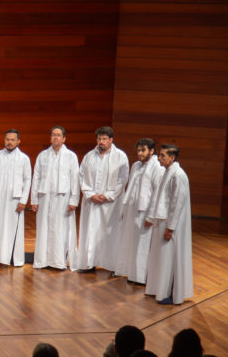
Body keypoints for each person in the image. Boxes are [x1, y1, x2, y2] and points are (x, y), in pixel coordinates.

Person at [75, 126, 129, 272]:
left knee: (110, 234)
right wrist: (90, 194)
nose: (101, 142)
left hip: (110, 203)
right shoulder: (89, 156)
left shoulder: (120, 156)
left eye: (104, 139)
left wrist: (108, 195)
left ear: (111, 140)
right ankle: (89, 264)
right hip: (91, 201)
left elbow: (122, 179)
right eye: (99, 139)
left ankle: (112, 266)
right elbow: (81, 176)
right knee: (90, 232)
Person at [144, 144, 193, 305]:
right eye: (159, 155)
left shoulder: (178, 175)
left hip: (170, 224)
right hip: (162, 220)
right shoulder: (167, 172)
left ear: (172, 158)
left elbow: (177, 204)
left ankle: (169, 293)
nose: (159, 158)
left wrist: (170, 228)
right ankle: (159, 290)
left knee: (169, 259)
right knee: (161, 258)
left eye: (163, 156)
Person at [114, 138, 164, 283]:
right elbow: (131, 188)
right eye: (138, 150)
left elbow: (156, 194)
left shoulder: (157, 168)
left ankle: (140, 277)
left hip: (145, 211)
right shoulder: (136, 165)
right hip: (132, 208)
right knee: (129, 240)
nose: (140, 153)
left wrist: (151, 216)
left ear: (152, 151)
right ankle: (129, 271)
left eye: (143, 150)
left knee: (143, 244)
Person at [30, 126, 80, 270]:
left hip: (62, 197)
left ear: (64, 138)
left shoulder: (71, 156)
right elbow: (36, 178)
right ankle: (42, 261)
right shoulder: (43, 155)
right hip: (44, 197)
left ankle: (58, 261)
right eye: (53, 135)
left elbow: (74, 179)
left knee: (60, 228)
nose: (55, 137)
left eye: (58, 135)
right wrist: (34, 200)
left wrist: (73, 200)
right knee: (44, 228)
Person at [0, 129, 32, 266]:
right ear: (4, 140)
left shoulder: (24, 158)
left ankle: (9, 257)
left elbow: (28, 180)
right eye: (7, 139)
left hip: (14, 200)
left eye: (12, 140)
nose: (9, 142)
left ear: (18, 141)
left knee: (10, 228)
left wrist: (23, 200)